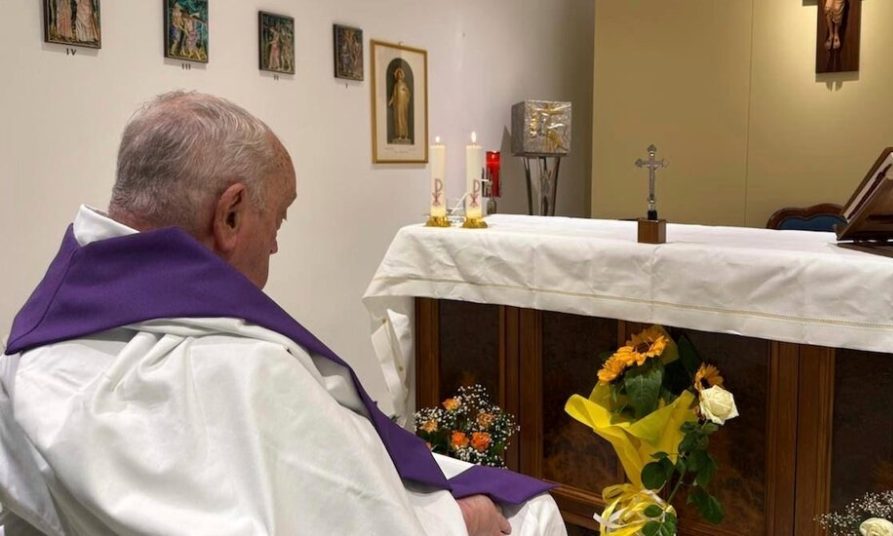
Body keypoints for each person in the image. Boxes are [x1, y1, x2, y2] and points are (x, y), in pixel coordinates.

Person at [0, 92, 565, 536]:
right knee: (534, 513)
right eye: (280, 219)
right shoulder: (249, 372)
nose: (274, 246)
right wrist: (457, 522)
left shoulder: (31, 355)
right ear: (231, 215)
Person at [389, 66, 412, 142]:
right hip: (397, 104)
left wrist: (405, 91)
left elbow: (408, 94)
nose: (399, 76)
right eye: (398, 74)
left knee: (403, 118)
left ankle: (405, 135)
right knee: (398, 118)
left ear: (402, 75)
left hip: (403, 104)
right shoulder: (396, 85)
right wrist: (391, 101)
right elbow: (394, 95)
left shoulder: (404, 84)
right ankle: (399, 134)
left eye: (400, 74)